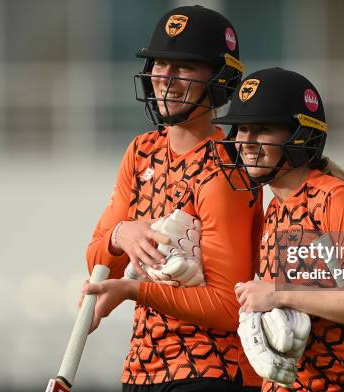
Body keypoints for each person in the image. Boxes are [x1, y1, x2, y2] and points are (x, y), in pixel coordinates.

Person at [82, 5, 263, 392]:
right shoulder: (141, 151)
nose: (166, 78)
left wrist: (134, 289)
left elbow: (227, 308)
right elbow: (97, 260)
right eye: (161, 64)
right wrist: (121, 235)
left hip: (212, 370)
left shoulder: (227, 166)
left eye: (184, 67)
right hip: (142, 369)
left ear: (219, 80)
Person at [211, 67, 344, 391]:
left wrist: (279, 294)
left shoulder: (336, 200)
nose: (245, 142)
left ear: (299, 135)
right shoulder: (273, 208)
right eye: (241, 129)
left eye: (262, 129)